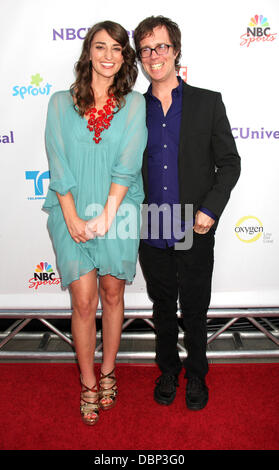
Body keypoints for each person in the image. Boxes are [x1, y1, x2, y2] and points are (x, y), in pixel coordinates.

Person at [43, 21, 147, 425]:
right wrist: (70, 216)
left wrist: (107, 214)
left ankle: (108, 371)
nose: (108, 55)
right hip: (69, 210)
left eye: (117, 48)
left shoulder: (134, 104)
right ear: (88, 52)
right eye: (100, 47)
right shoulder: (57, 102)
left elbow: (128, 162)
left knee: (112, 295)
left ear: (124, 57)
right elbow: (58, 160)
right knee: (84, 301)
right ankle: (87, 381)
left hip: (118, 210)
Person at [134, 16, 240, 410]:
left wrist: (210, 209)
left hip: (193, 222)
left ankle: (196, 374)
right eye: (146, 49)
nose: (154, 55)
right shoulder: (132, 108)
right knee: (162, 306)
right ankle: (168, 370)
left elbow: (229, 163)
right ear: (141, 58)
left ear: (176, 51)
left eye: (161, 46)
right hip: (151, 223)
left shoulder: (207, 102)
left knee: (194, 306)